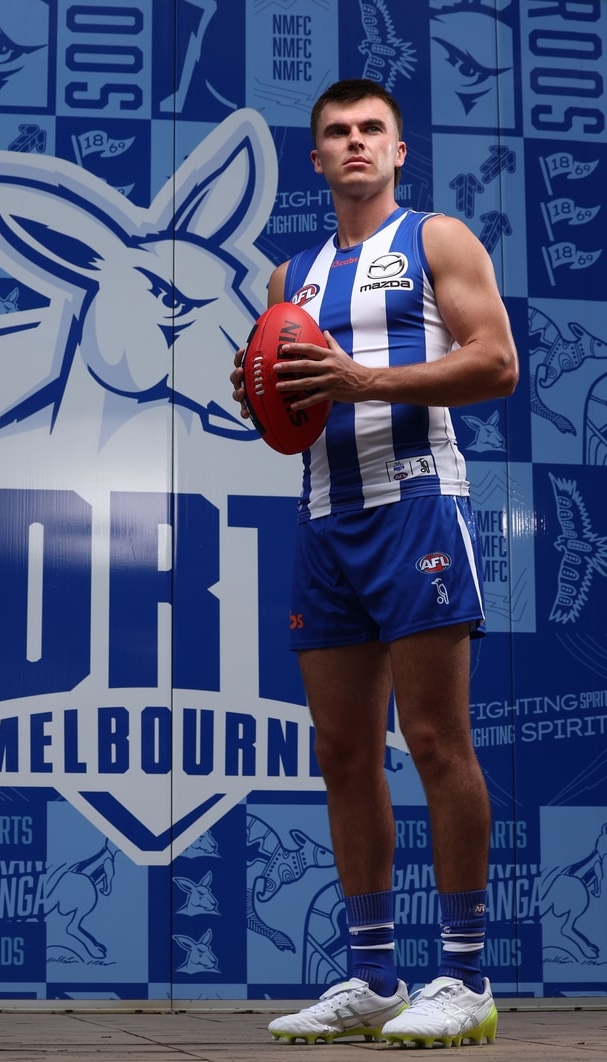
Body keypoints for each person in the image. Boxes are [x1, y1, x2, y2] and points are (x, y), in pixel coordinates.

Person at [230, 78, 519, 1047]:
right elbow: (291, 401)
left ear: (398, 151)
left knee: (436, 740)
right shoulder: (290, 276)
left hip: (417, 505)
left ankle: (466, 977)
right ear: (315, 158)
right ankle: (373, 977)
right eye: (336, 132)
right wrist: (262, 390)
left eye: (371, 130)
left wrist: (364, 379)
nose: (354, 142)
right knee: (343, 752)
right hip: (324, 518)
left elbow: (497, 363)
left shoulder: (438, 240)